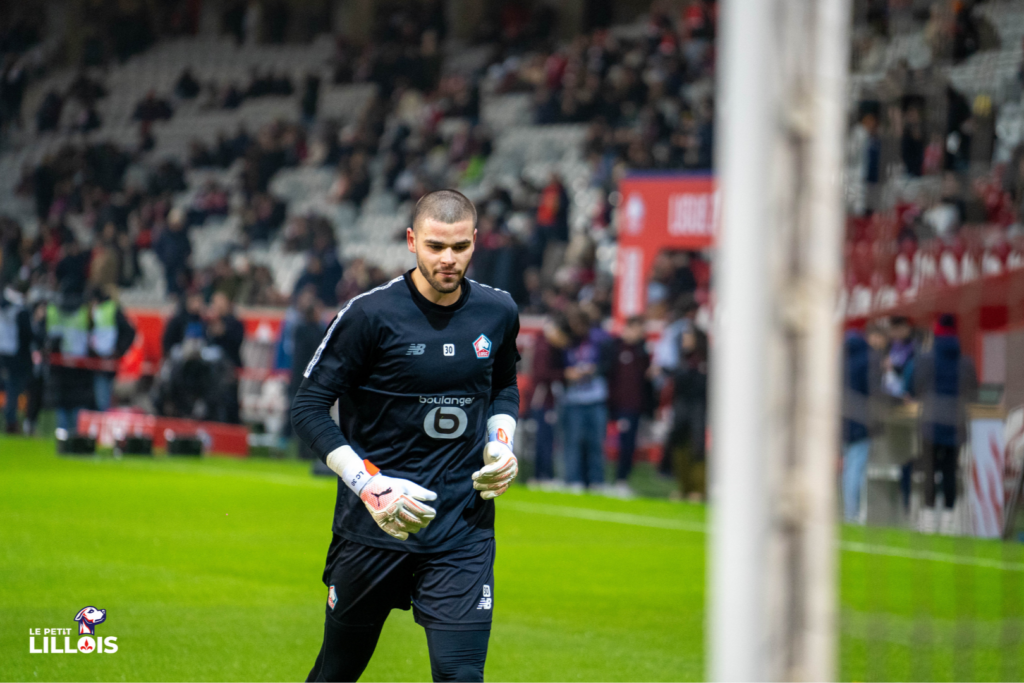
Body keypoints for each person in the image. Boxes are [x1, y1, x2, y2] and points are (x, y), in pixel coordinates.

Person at [291, 190, 520, 683]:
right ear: (412, 240)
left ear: (475, 242)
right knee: (337, 672)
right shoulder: (369, 315)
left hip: (462, 527)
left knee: (460, 675)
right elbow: (308, 408)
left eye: (459, 247)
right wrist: (370, 486)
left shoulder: (498, 312)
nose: (448, 259)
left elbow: (503, 385)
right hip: (374, 526)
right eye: (436, 246)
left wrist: (502, 440)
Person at [914, 314, 978, 534]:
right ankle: (949, 521)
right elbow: (973, 391)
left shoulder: (926, 358)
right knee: (950, 470)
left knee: (930, 469)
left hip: (931, 420)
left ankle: (929, 519)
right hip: (956, 422)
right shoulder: (966, 360)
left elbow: (917, 386)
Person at [560, 305, 611, 493]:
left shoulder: (599, 340)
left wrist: (595, 370)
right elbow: (557, 367)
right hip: (573, 399)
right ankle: (573, 480)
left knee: (596, 443)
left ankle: (596, 481)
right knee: (573, 443)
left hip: (596, 397)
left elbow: (609, 362)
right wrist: (566, 374)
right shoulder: (566, 341)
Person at [840, 325, 884, 523]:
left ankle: (850, 511)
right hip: (862, 419)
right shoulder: (868, 359)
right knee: (856, 468)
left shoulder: (842, 358)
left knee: (850, 468)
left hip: (844, 419)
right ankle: (853, 514)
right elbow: (876, 392)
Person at [606, 315, 651, 497]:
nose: (640, 334)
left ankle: (622, 480)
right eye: (638, 329)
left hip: (634, 406)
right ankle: (611, 480)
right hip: (618, 405)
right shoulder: (615, 348)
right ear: (628, 328)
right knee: (619, 444)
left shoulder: (642, 352)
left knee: (629, 445)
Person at [666, 328, 708, 501]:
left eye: (688, 338)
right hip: (682, 407)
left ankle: (699, 489)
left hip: (698, 407)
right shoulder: (682, 360)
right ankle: (683, 487)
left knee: (697, 447)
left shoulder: (705, 361)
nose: (684, 341)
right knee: (679, 445)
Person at [527, 315, 569, 486]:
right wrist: (564, 374)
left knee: (546, 439)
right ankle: (543, 475)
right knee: (544, 438)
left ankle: (543, 474)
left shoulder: (544, 345)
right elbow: (541, 375)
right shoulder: (544, 347)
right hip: (542, 399)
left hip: (545, 398)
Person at [46, 289, 93, 432]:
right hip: (80, 365)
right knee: (77, 402)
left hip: (59, 365)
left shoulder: (53, 310)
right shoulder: (85, 311)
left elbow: (47, 336)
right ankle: (76, 434)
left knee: (61, 403)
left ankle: (62, 433)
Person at [88, 286, 136, 412]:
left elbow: (129, 331)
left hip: (106, 361)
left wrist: (119, 350)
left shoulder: (110, 309)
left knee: (103, 401)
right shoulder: (105, 309)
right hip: (98, 360)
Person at [206, 291, 245, 424]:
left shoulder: (235, 323)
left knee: (230, 402)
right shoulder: (210, 323)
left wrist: (223, 331)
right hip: (212, 370)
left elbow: (236, 342)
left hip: (230, 368)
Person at [0, 281, 32, 433]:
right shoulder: (19, 308)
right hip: (16, 354)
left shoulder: (5, 307)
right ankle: (12, 422)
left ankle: (12, 420)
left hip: (4, 352)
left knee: (12, 388)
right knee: (14, 389)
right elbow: (26, 334)